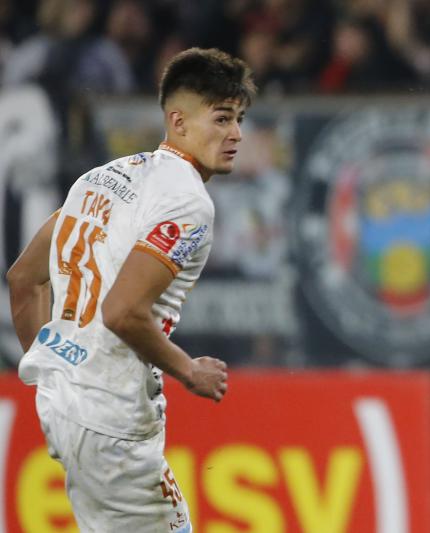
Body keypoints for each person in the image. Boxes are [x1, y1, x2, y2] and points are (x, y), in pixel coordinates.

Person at [6, 47, 255, 532]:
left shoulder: (99, 179)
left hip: (65, 403)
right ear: (178, 121)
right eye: (222, 118)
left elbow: (23, 280)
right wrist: (189, 370)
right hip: (112, 421)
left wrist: (58, 371)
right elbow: (122, 312)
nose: (236, 135)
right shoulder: (188, 204)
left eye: (240, 119)